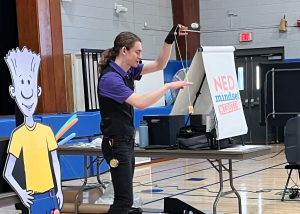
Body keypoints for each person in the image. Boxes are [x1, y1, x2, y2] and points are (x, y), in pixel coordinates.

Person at [97, 24, 191, 214]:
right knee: (124, 201)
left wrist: (170, 39)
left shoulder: (128, 71)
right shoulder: (110, 79)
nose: (140, 57)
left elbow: (159, 64)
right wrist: (167, 87)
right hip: (116, 144)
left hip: (126, 141)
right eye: (137, 52)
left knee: (126, 200)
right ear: (124, 50)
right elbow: (139, 103)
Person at [3, 47, 63, 214]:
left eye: (30, 84)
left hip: (52, 194)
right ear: (13, 92)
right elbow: (8, 172)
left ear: (38, 91)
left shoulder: (46, 131)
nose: (27, 92)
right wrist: (21, 192)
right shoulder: (18, 135)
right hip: (34, 198)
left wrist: (58, 189)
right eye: (22, 85)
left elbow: (55, 162)